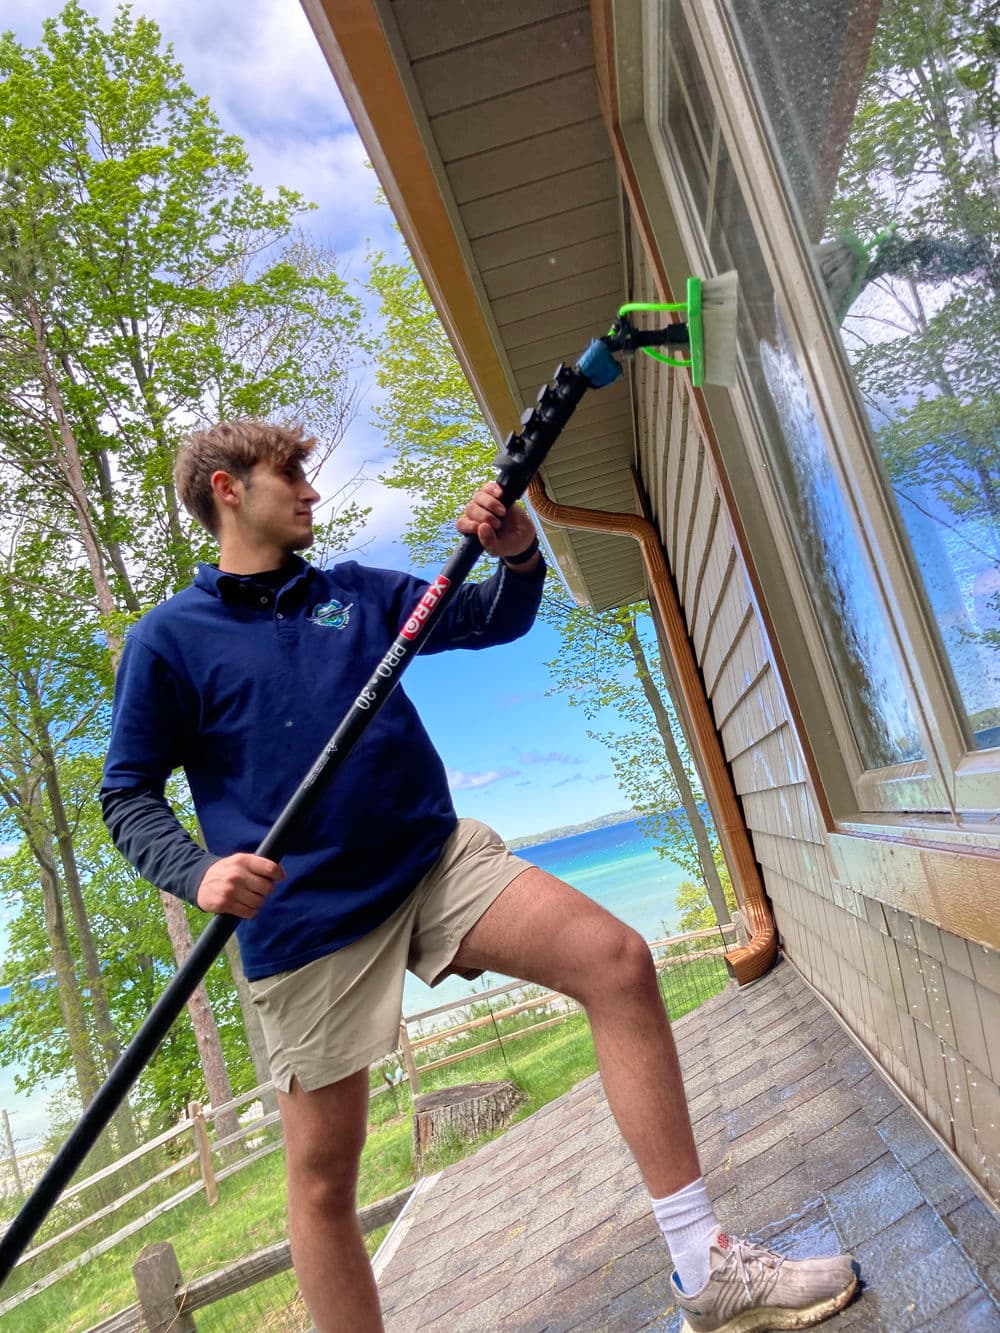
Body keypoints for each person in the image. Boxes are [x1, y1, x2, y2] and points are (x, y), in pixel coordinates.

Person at [101, 420, 858, 1333]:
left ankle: (705, 1267)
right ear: (227, 488)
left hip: (431, 860)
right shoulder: (170, 641)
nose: (310, 488)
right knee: (322, 1180)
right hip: (306, 922)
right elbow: (127, 795)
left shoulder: (354, 593)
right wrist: (197, 871)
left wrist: (519, 554)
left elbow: (491, 615)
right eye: (288, 472)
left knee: (617, 961)